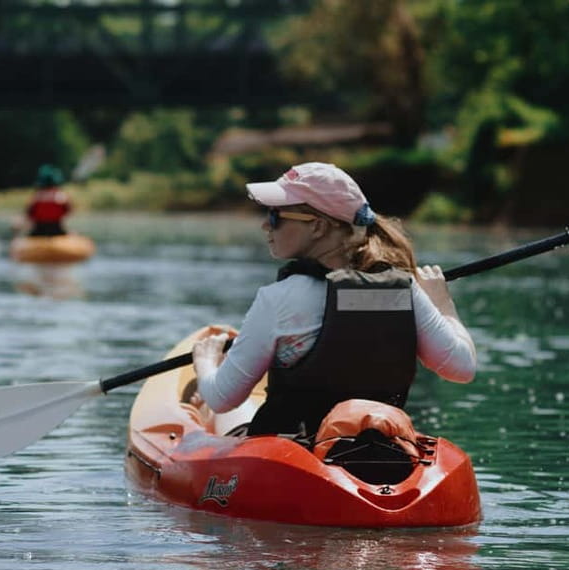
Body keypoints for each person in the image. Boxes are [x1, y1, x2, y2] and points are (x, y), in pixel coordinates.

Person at [191, 162, 476, 438]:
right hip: (374, 449)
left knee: (204, 425)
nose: (266, 224)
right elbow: (462, 368)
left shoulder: (278, 299)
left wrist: (205, 361)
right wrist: (442, 305)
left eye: (276, 216)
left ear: (317, 227)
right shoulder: (406, 289)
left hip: (293, 454)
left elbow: (221, 399)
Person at [25, 164, 72, 237]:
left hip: (39, 230)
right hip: (57, 229)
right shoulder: (61, 196)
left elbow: (29, 213)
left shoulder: (37, 196)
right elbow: (68, 211)